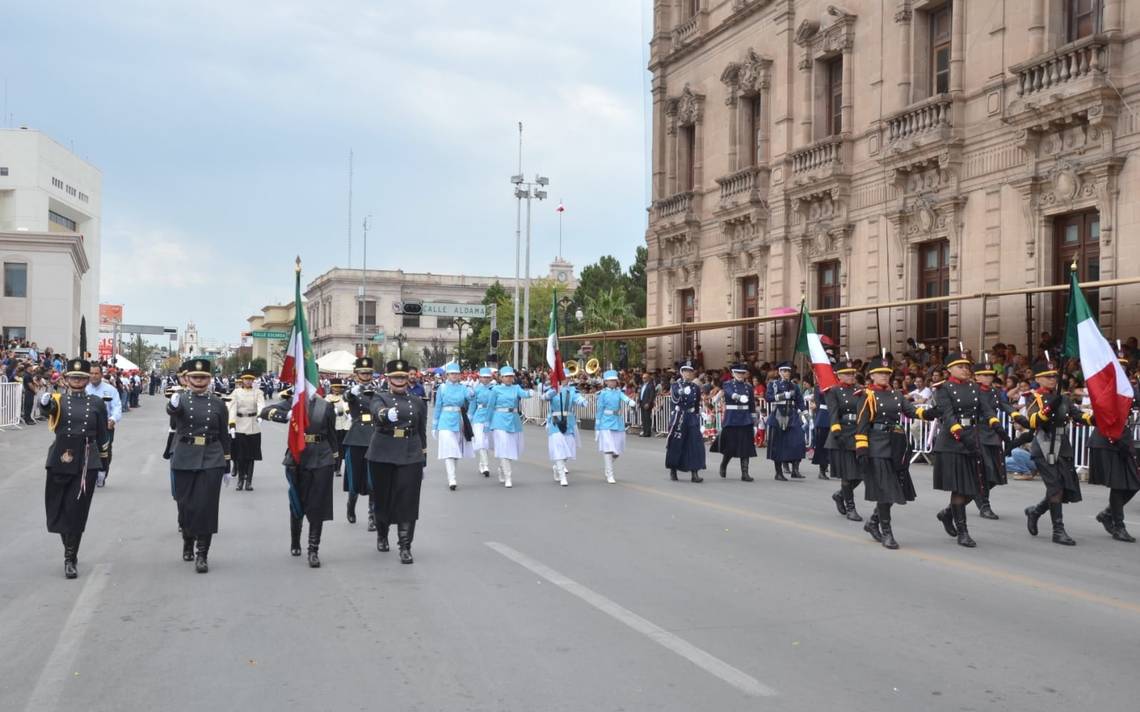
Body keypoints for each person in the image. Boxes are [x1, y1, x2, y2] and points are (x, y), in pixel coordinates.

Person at [37, 358, 110, 579]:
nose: (77, 380)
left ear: (88, 380)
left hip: (86, 458)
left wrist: (103, 465)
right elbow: (46, 410)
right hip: (60, 456)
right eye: (73, 377)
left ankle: (70, 557)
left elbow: (103, 435)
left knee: (76, 510)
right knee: (57, 507)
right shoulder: (58, 400)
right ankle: (68, 544)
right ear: (66, 379)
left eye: (82, 377)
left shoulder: (97, 402)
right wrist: (44, 401)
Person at [856, 355, 934, 550]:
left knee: (894, 490)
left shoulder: (896, 395)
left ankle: (873, 522)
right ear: (872, 375)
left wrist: (931, 412)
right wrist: (862, 449)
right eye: (880, 373)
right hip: (876, 446)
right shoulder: (867, 395)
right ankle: (887, 532)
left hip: (895, 446)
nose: (884, 375)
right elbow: (862, 424)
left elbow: (912, 412)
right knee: (886, 490)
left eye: (887, 373)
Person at [1013, 357, 1091, 545]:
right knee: (1055, 487)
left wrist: (1095, 419)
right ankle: (1058, 530)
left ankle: (1035, 511)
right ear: (1038, 379)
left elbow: (1077, 415)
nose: (1052, 380)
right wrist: (1049, 408)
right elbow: (1032, 421)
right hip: (1044, 444)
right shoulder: (1033, 397)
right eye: (1047, 377)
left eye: (1054, 376)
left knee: (1063, 487)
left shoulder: (1063, 397)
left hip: (1062, 445)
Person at [261, 384, 339, 567]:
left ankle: (313, 549)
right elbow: (266, 411)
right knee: (298, 502)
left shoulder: (325, 406)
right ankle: (295, 540)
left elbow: (332, 435)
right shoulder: (292, 402)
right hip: (298, 456)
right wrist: (285, 415)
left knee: (318, 503)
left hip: (322, 456)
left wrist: (336, 457)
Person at [167, 358, 232, 573]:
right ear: (187, 379)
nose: (199, 381)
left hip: (211, 457)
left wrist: (227, 463)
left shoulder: (218, 403)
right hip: (185, 455)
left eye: (203, 377)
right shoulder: (181, 400)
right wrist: (173, 405)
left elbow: (224, 434)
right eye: (195, 377)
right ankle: (188, 538)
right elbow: (173, 415)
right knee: (186, 505)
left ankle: (202, 553)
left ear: (209, 379)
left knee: (207, 507)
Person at [930, 351, 1002, 548]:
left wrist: (997, 426)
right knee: (961, 487)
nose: (965, 369)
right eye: (960, 366)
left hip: (973, 436)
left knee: (980, 484)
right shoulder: (944, 388)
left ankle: (947, 514)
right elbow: (948, 415)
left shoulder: (974, 387)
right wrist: (960, 434)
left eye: (966, 366)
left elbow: (986, 409)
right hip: (953, 441)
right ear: (949, 369)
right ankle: (963, 531)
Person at [365, 359, 428, 563]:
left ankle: (405, 546)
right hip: (383, 451)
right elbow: (376, 412)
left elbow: (422, 430)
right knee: (382, 498)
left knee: (409, 500)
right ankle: (382, 534)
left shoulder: (418, 401)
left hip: (410, 451)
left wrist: (423, 456)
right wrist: (385, 415)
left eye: (402, 376)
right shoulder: (379, 397)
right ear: (388, 378)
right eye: (395, 377)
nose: (399, 380)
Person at [1086, 354, 1139, 542]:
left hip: (1123, 439)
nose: (1122, 371)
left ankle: (1108, 514)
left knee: (1134, 483)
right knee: (1119, 485)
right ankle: (1119, 526)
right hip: (1107, 440)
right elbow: (1102, 417)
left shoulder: (1127, 388)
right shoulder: (1105, 388)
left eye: (1124, 368)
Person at [973, 359, 1012, 519]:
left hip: (993, 433)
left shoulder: (994, 392)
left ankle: (973, 496)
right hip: (978, 432)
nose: (989, 378)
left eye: (990, 375)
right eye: (985, 375)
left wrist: (1016, 415)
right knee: (984, 470)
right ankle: (984, 505)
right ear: (977, 377)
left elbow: (1004, 404)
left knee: (997, 472)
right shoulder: (973, 391)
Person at [827, 357, 865, 521]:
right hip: (843, 434)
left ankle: (840, 494)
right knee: (848, 474)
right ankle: (851, 508)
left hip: (859, 433)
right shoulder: (834, 391)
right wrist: (836, 432)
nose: (851, 376)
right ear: (839, 376)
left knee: (862, 472)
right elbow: (833, 413)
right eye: (847, 374)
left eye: (852, 373)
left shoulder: (861, 390)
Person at [343, 357, 377, 529]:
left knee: (374, 479)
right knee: (355, 477)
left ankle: (372, 516)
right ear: (356, 374)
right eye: (363, 372)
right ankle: (351, 505)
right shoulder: (353, 390)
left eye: (369, 372)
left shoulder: (379, 389)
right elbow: (346, 397)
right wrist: (352, 392)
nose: (366, 375)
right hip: (357, 437)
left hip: (374, 436)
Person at [486, 365, 533, 488]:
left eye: (511, 376)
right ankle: (508, 476)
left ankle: (502, 467)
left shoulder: (516, 388)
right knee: (504, 447)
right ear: (501, 377)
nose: (509, 378)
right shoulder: (495, 390)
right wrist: (487, 422)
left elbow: (524, 394)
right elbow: (490, 407)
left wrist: (530, 393)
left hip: (514, 420)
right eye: (506, 376)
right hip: (499, 420)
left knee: (512, 449)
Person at [432, 362, 474, 491]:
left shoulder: (463, 388)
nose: (454, 376)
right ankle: (452, 478)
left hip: (459, 420)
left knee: (456, 452)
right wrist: (435, 425)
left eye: (456, 373)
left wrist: (470, 414)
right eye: (452, 374)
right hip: (445, 421)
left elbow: (472, 400)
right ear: (447, 375)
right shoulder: (442, 388)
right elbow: (438, 406)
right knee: (449, 450)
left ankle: (453, 475)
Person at [713, 363, 757, 482]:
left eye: (742, 373)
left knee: (746, 446)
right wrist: (738, 397)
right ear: (733, 373)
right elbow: (729, 393)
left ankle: (745, 473)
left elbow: (752, 405)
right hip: (732, 418)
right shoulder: (727, 384)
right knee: (730, 446)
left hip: (745, 418)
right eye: (738, 373)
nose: (740, 375)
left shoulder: (748, 387)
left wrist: (754, 421)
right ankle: (724, 464)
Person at [543, 367, 586, 486]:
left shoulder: (572, 391)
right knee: (559, 448)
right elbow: (544, 397)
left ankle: (557, 466)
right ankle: (562, 476)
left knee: (568, 450)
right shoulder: (552, 389)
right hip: (556, 422)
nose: (564, 380)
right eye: (562, 378)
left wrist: (582, 401)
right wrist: (552, 392)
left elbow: (577, 398)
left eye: (566, 378)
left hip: (569, 423)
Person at [765, 362, 807, 481]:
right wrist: (783, 395)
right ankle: (778, 472)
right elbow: (768, 398)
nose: (786, 373)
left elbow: (800, 401)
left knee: (798, 441)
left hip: (792, 415)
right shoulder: (773, 384)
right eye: (784, 371)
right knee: (778, 445)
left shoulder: (794, 386)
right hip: (779, 415)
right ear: (779, 372)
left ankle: (795, 469)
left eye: (788, 371)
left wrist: (806, 415)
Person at [665, 362, 706, 482]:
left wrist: (699, 414)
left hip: (691, 416)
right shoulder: (675, 385)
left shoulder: (695, 387)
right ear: (682, 372)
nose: (688, 373)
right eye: (686, 371)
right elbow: (674, 399)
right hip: (680, 416)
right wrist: (681, 392)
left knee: (695, 444)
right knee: (676, 443)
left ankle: (694, 472)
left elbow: (697, 402)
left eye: (690, 371)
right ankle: (673, 469)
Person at [226, 369, 266, 491]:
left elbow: (261, 405)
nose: (248, 381)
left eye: (250, 379)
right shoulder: (236, 392)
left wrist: (260, 415)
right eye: (246, 379)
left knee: (251, 456)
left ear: (253, 380)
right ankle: (240, 480)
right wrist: (232, 424)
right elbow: (232, 408)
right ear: (242, 380)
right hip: (239, 424)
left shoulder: (258, 392)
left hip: (253, 424)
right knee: (240, 456)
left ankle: (248, 481)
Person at [595, 369, 637, 484]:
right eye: (610, 381)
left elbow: (625, 398)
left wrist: (631, 402)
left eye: (614, 380)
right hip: (606, 423)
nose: (613, 382)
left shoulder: (618, 392)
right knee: (608, 449)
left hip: (617, 422)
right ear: (606, 382)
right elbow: (599, 411)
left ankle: (608, 467)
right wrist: (597, 428)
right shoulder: (602, 394)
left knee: (617, 451)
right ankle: (610, 473)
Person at [85, 363, 122, 487]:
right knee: (87, 450)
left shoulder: (110, 390)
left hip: (106, 426)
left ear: (101, 374)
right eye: (91, 373)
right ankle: (89, 474)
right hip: (88, 426)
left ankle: (102, 473)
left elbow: (117, 406)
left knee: (105, 451)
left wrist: (113, 419)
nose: (94, 376)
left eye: (96, 373)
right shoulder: (84, 389)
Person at [470, 367, 497, 477]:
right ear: (480, 378)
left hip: (492, 417)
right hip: (479, 417)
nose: (485, 379)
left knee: (488, 442)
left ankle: (482, 463)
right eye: (483, 377)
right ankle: (485, 465)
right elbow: (472, 405)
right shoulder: (476, 389)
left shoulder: (495, 389)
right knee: (481, 441)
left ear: (490, 378)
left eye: (487, 377)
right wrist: (468, 418)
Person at [326, 378, 351, 476]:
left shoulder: (345, 397)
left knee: (341, 448)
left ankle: (339, 467)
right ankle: (333, 466)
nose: (337, 389)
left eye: (339, 387)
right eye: (335, 387)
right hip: (333, 425)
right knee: (333, 447)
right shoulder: (327, 398)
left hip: (345, 425)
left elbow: (348, 409)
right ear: (331, 388)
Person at [809, 382, 831, 480]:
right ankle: (822, 469)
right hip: (824, 416)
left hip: (836, 416)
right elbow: (818, 402)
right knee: (823, 445)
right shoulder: (819, 386)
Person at [638, 372, 657, 437]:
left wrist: (648, 403)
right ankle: (644, 431)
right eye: (643, 378)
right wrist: (639, 401)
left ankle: (647, 432)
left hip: (647, 403)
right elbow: (640, 394)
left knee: (647, 418)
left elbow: (652, 395)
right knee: (643, 418)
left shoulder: (651, 385)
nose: (644, 379)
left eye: (645, 378)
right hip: (642, 402)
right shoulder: (643, 385)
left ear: (648, 378)